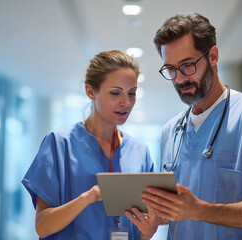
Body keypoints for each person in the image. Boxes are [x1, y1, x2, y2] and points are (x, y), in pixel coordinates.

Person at [141, 13, 242, 239]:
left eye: (187, 65)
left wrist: (199, 210)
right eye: (171, 69)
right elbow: (177, 211)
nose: (180, 79)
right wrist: (156, 216)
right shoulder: (171, 131)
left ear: (212, 56)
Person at [22, 50, 158, 240]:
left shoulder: (140, 153)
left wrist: (148, 232)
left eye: (132, 93)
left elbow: (140, 230)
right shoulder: (59, 144)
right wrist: (88, 197)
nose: (126, 102)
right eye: (115, 93)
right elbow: (43, 226)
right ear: (90, 91)